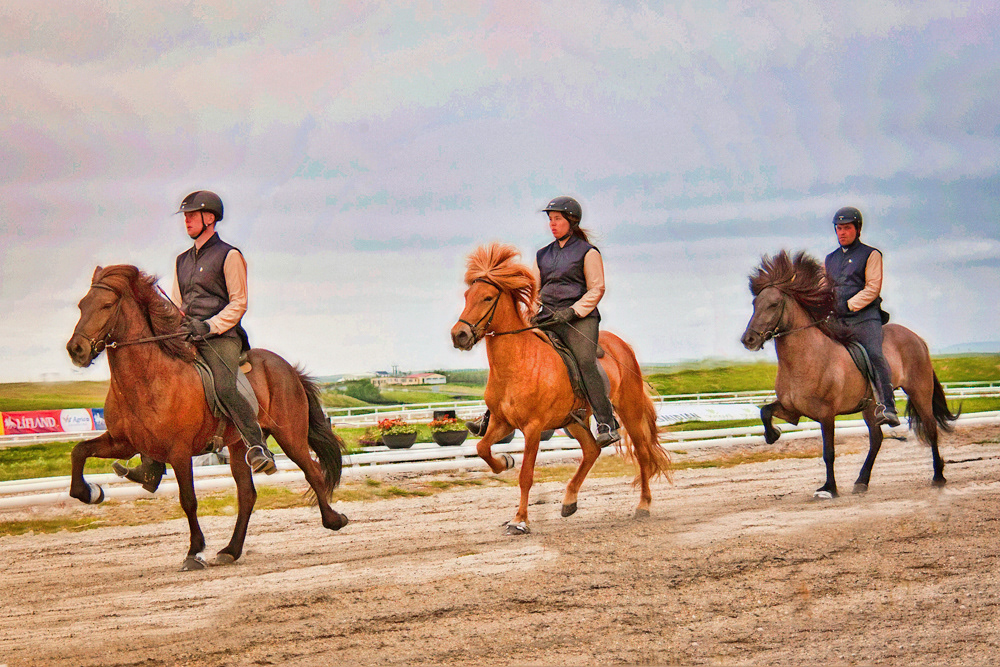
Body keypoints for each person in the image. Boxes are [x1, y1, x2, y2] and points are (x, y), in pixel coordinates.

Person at [114, 190, 277, 492]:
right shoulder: (181, 260)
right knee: (158, 383)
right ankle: (152, 466)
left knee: (224, 385)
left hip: (222, 336)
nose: (186, 221)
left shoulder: (230, 255)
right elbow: (178, 304)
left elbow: (239, 303)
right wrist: (171, 323)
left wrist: (209, 325)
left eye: (192, 215)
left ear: (209, 218)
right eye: (185, 216)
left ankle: (258, 446)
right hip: (188, 333)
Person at [467, 196, 621, 447]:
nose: (552, 224)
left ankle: (606, 422)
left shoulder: (588, 252)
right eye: (550, 220)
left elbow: (597, 289)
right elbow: (536, 289)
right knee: (515, 357)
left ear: (572, 221)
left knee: (585, 361)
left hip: (579, 319)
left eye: (557, 219)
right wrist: (530, 312)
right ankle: (491, 415)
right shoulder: (542, 254)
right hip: (547, 317)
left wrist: (572, 311)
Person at [824, 206, 901, 427]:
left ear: (858, 229)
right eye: (839, 228)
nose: (842, 232)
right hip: (838, 320)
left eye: (847, 228)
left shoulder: (871, 254)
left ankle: (888, 406)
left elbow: (872, 288)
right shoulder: (829, 259)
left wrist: (848, 304)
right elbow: (824, 288)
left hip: (865, 318)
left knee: (875, 354)